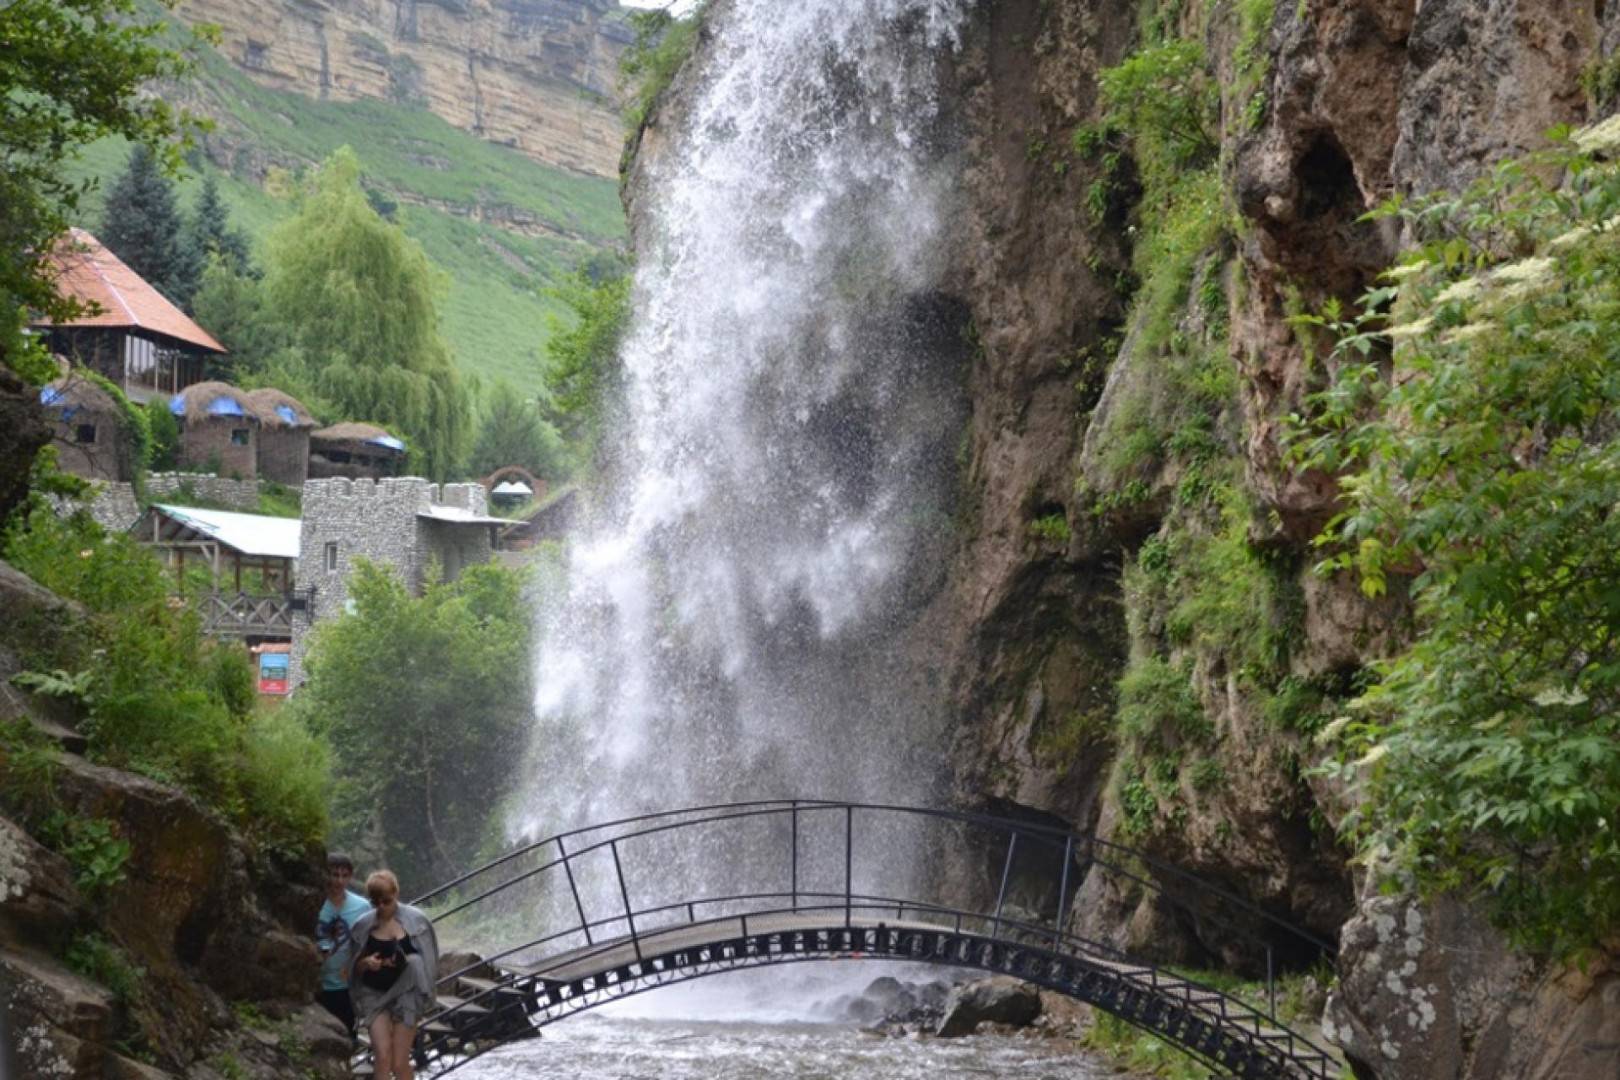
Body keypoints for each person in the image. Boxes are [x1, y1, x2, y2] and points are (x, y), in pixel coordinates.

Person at [344, 869, 439, 1080]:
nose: (381, 907)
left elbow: (430, 961)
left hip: (407, 995)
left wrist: (427, 996)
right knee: (383, 1055)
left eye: (386, 901)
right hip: (373, 993)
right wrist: (366, 963)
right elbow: (353, 968)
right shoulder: (363, 925)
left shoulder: (418, 921)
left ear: (396, 893)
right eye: (375, 902)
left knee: (399, 1062)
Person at [314, 852, 371, 1036]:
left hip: (347, 985)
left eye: (344, 876)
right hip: (317, 984)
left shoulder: (362, 907)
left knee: (347, 1037)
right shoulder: (314, 902)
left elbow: (369, 940)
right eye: (334, 875)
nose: (339, 881)